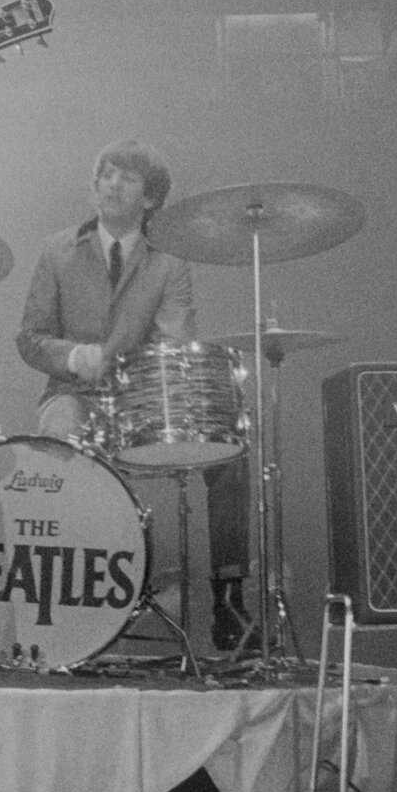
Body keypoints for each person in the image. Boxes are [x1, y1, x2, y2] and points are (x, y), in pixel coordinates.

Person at [13, 141, 252, 647]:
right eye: (105, 174)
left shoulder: (170, 262)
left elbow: (173, 342)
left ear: (151, 199)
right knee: (61, 436)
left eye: (126, 177)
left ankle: (229, 599)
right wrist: (77, 356)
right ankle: (66, 601)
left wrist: (130, 368)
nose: (112, 184)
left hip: (142, 396)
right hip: (73, 392)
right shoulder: (58, 249)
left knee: (231, 454)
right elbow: (30, 340)